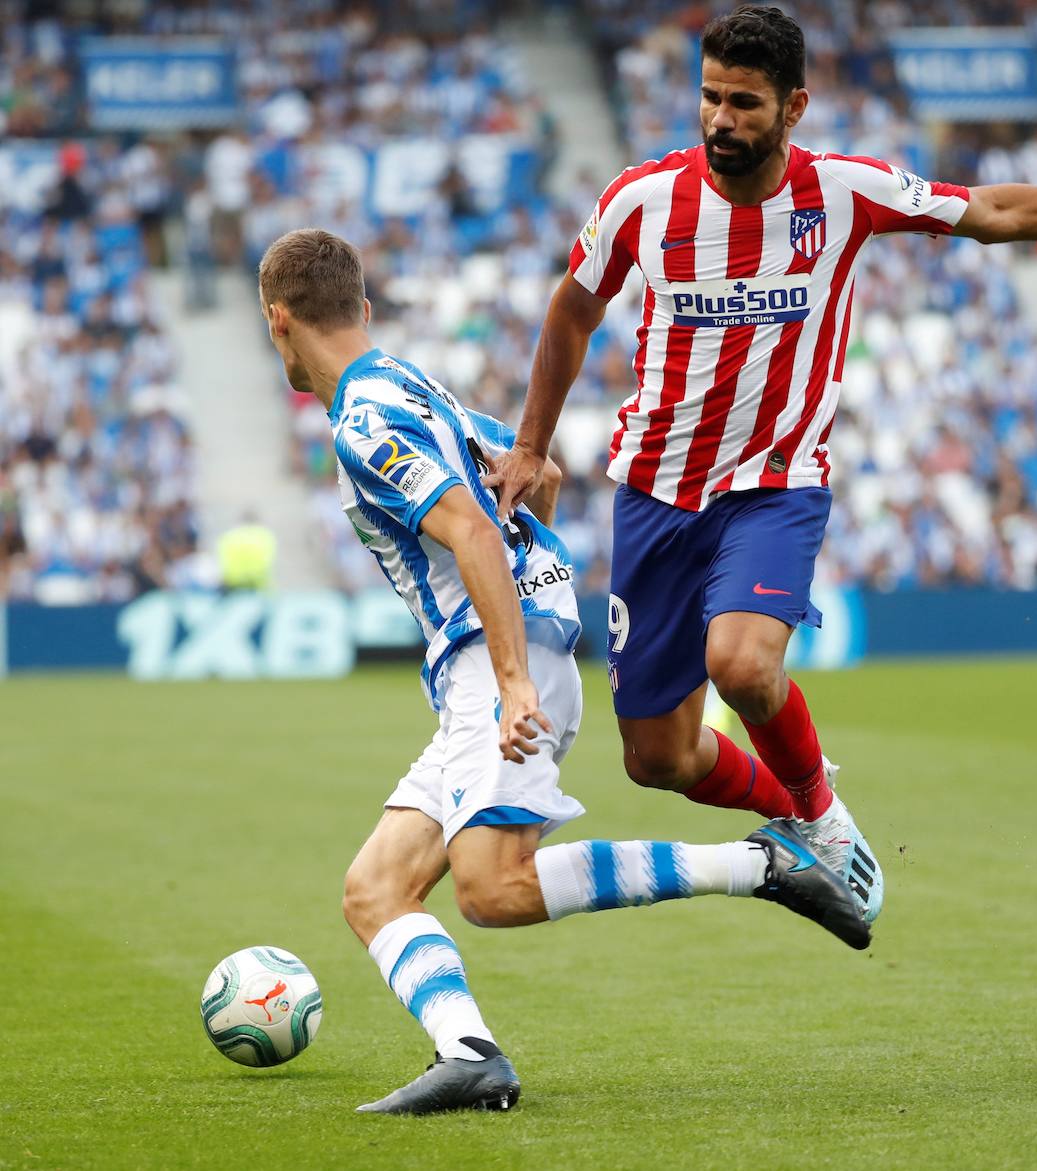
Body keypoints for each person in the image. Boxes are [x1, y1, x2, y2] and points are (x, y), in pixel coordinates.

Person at [486, 5, 1037, 921]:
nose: (722, 120)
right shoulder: (642, 202)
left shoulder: (843, 192)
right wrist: (531, 443)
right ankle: (793, 818)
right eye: (711, 98)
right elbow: (573, 310)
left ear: (795, 107)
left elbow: (994, 211)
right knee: (658, 759)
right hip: (654, 493)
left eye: (745, 104)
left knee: (744, 666)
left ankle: (822, 815)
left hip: (776, 485)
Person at [256, 228, 869, 1116]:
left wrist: (511, 679)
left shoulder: (360, 419)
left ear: (279, 319)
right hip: (516, 645)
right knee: (376, 889)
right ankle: (468, 1052)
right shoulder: (408, 382)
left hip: (496, 662)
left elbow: (469, 526)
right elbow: (530, 471)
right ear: (364, 307)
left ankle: (762, 864)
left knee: (494, 888)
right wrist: (532, 580)